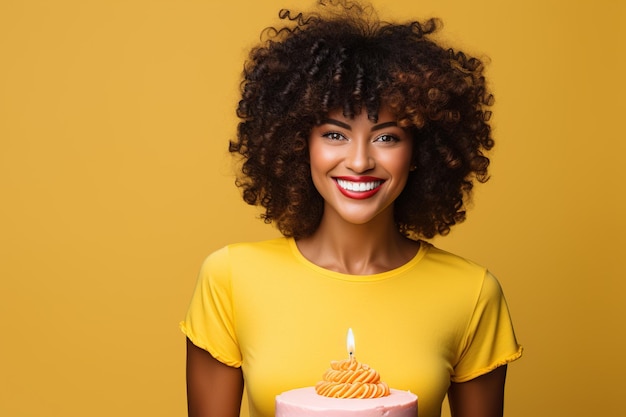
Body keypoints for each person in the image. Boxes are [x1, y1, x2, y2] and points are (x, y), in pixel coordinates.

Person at [181, 1, 522, 416]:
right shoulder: (230, 279)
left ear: (419, 152)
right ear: (298, 143)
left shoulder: (472, 295)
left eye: (387, 138)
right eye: (335, 135)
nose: (359, 161)